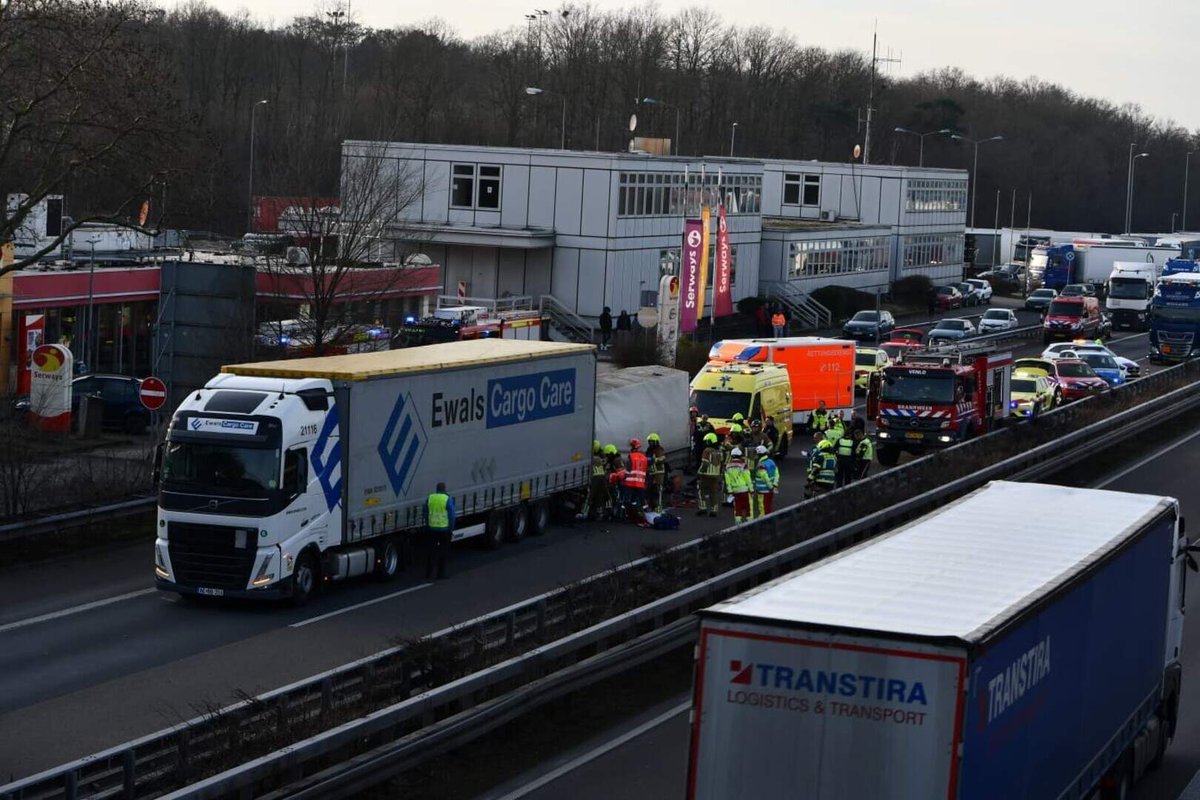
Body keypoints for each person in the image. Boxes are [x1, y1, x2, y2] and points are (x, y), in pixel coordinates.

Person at [424, 482, 456, 580]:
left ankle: (429, 575)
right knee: (443, 552)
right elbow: (451, 515)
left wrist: (428, 524)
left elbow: (425, 513)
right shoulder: (447, 499)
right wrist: (451, 528)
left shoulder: (430, 498)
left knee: (431, 553)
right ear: (444, 489)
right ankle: (440, 574)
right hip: (444, 529)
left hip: (432, 529)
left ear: (437, 489)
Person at [723, 448, 753, 524]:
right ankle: (750, 523)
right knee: (748, 508)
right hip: (745, 490)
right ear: (740, 456)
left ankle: (738, 524)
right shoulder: (743, 465)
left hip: (735, 491)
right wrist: (751, 489)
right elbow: (748, 479)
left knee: (737, 509)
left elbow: (728, 481)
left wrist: (730, 491)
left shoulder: (727, 466)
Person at [697, 432, 723, 517]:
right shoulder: (719, 451)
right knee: (714, 493)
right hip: (716, 475)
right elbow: (721, 463)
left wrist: (699, 473)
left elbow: (705, 463)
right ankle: (714, 510)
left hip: (706, 475)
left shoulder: (707, 451)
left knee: (701, 490)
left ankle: (703, 508)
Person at [584, 440, 610, 520]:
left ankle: (584, 512)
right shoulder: (600, 458)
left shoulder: (591, 458)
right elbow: (605, 464)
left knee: (590, 496)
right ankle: (606, 512)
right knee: (604, 495)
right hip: (602, 477)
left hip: (595, 477)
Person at [752, 445, 779, 518]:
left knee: (762, 508)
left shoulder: (761, 465)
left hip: (763, 490)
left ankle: (763, 523)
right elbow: (777, 474)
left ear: (760, 454)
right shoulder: (771, 461)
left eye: (756, 454)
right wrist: (774, 485)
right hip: (770, 490)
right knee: (768, 507)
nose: (755, 455)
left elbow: (765, 477)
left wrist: (770, 486)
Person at [623, 437, 647, 512]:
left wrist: (624, 478)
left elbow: (628, 470)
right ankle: (645, 514)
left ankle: (626, 514)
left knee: (626, 500)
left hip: (630, 482)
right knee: (642, 501)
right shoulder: (644, 457)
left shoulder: (631, 456)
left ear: (632, 447)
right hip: (640, 483)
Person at [645, 433, 667, 512]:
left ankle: (658, 507)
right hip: (650, 473)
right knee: (649, 490)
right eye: (649, 442)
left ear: (656, 442)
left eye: (652, 442)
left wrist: (654, 460)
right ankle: (651, 506)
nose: (650, 443)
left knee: (658, 490)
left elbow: (663, 458)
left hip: (658, 472)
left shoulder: (659, 449)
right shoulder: (649, 450)